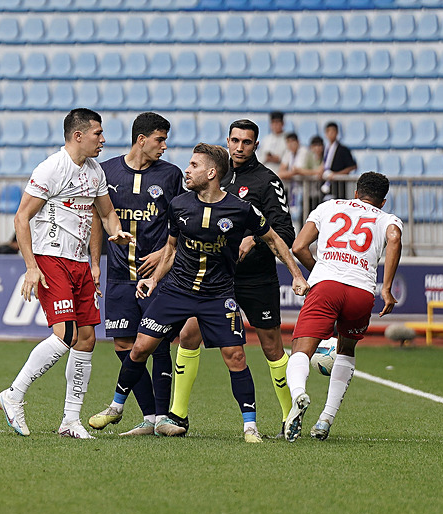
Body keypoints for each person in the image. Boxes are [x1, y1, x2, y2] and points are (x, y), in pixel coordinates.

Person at [89, 143, 309, 443]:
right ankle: (116, 407)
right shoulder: (179, 205)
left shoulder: (241, 209)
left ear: (211, 172)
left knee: (236, 357)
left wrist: (296, 275)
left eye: (193, 165)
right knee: (140, 347)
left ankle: (250, 427)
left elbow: (273, 240)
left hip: (218, 295)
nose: (187, 170)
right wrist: (154, 280)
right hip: (177, 290)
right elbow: (171, 248)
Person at [0, 108, 133, 440]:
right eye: (98, 133)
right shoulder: (52, 168)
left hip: (80, 262)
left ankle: (71, 420)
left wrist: (118, 231)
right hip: (51, 259)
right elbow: (21, 218)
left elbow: (107, 212)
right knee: (66, 335)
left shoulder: (95, 171)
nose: (103, 140)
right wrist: (31, 267)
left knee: (86, 339)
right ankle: (13, 394)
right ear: (78, 135)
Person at [172, 119, 298, 437]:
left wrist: (253, 239)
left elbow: (284, 231)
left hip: (256, 278)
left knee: (271, 346)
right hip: (215, 280)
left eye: (247, 142)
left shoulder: (266, 182)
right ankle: (177, 416)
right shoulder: (213, 175)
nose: (240, 147)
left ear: (256, 145)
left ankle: (289, 416)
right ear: (227, 141)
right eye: (235, 140)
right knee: (188, 336)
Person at [284, 172, 403, 442]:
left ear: (356, 192)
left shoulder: (329, 206)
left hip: (327, 286)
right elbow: (394, 238)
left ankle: (299, 394)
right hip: (361, 291)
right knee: (346, 349)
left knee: (301, 349)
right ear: (383, 201)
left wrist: (320, 272)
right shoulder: (387, 218)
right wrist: (386, 288)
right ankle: (326, 418)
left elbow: (299, 246)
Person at [88, 112, 184, 436]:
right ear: (141, 140)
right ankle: (149, 418)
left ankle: (161, 417)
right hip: (117, 272)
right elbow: (99, 218)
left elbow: (182, 220)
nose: (165, 146)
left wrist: (163, 254)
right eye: (160, 139)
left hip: (156, 275)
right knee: (123, 344)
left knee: (157, 345)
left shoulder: (171, 175)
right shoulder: (108, 171)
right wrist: (95, 262)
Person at [321, 122, 357, 202]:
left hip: (338, 186)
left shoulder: (343, 149)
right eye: (328, 132)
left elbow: (352, 166)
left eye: (332, 132)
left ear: (337, 132)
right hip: (326, 184)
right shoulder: (325, 149)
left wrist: (337, 175)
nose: (330, 134)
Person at [256, 111, 287, 176]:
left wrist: (277, 159)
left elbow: (289, 159)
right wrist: (267, 158)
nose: (275, 125)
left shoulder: (287, 139)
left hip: (280, 175)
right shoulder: (266, 139)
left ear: (283, 124)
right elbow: (260, 157)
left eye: (277, 122)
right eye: (273, 123)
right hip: (265, 173)